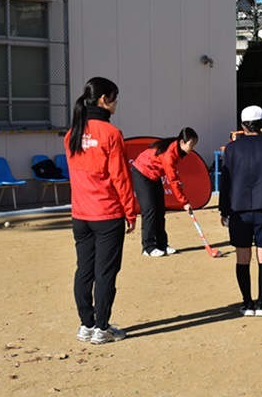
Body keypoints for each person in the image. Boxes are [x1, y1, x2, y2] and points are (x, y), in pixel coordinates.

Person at [64, 77, 137, 344]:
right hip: (107, 214)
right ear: (104, 99)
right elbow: (121, 177)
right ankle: (102, 327)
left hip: (81, 215)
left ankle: (86, 324)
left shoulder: (72, 133)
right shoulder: (111, 134)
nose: (117, 104)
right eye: (115, 99)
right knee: (105, 273)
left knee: (84, 270)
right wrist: (130, 212)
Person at [219, 105, 262, 317]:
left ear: (242, 126)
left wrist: (223, 209)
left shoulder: (231, 149)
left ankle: (247, 303)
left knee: (242, 256)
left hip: (238, 208)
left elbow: (225, 182)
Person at [132, 128, 199, 257]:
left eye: (194, 145)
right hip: (142, 173)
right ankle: (148, 247)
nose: (192, 148)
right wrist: (184, 202)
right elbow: (172, 179)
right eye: (191, 144)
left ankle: (162, 244)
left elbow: (173, 174)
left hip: (154, 175)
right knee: (149, 210)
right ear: (182, 142)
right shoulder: (170, 154)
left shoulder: (177, 150)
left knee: (160, 210)